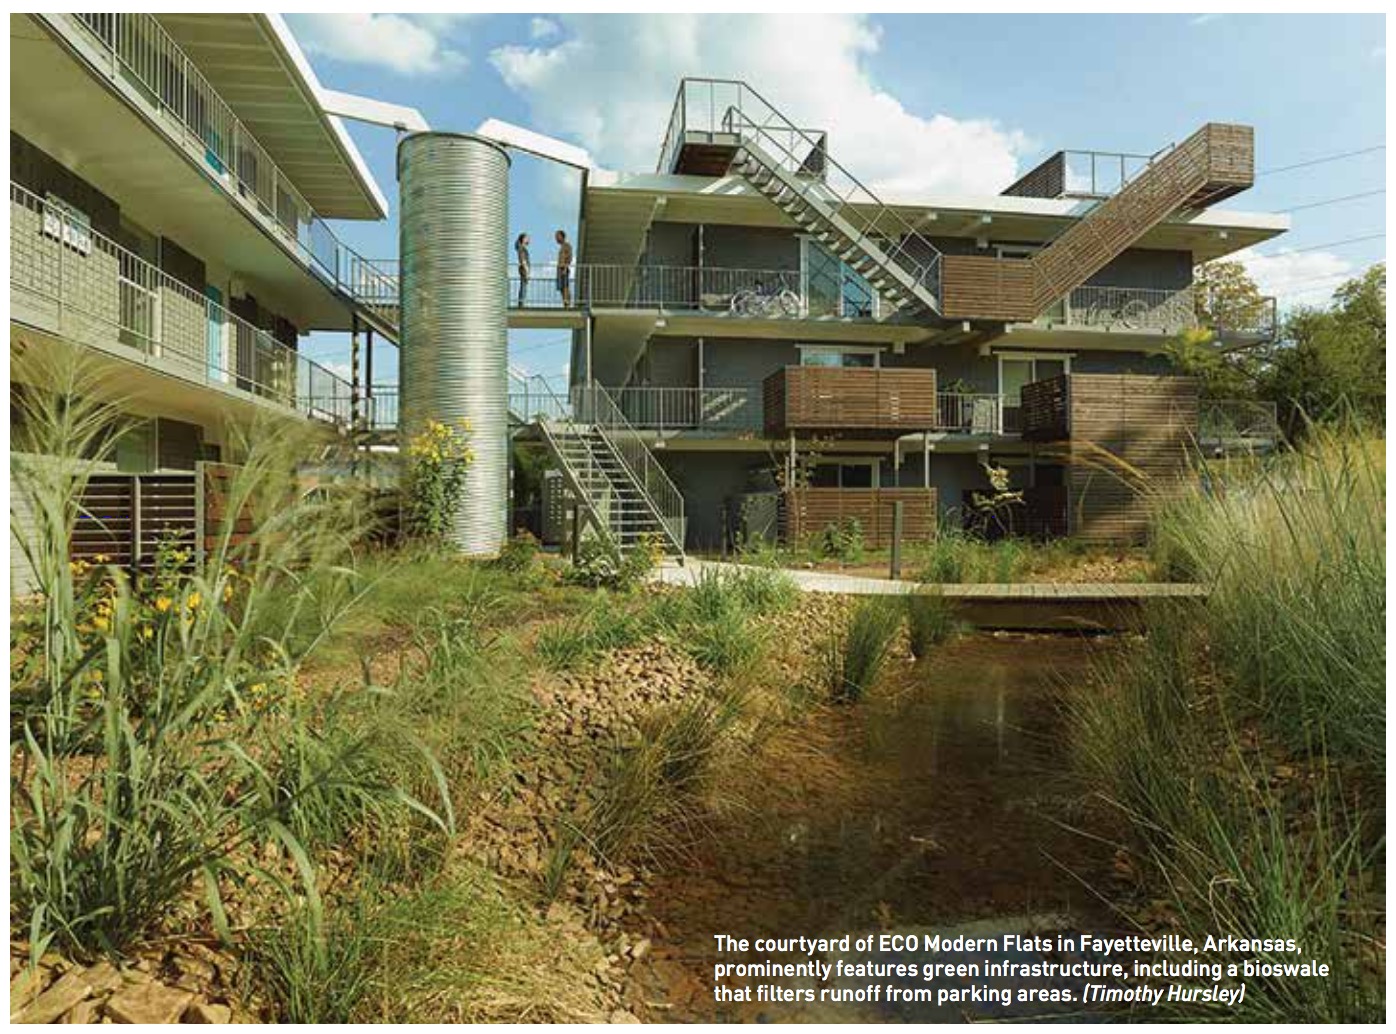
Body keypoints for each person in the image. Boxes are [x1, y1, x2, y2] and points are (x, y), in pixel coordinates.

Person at [555, 229, 573, 307]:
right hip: (559, 268)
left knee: (565, 286)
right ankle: (564, 302)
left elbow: (569, 257)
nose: (556, 238)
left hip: (563, 268)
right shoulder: (561, 247)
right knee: (561, 287)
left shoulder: (567, 245)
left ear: (562, 237)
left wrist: (565, 267)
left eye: (557, 236)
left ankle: (567, 302)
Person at [514, 233, 531, 308]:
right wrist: (527, 271)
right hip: (523, 268)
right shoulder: (522, 248)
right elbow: (523, 260)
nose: (528, 239)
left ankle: (522, 302)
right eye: (527, 238)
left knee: (523, 285)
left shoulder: (522, 248)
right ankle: (521, 303)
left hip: (523, 268)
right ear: (523, 239)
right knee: (523, 285)